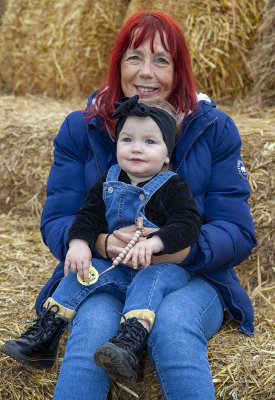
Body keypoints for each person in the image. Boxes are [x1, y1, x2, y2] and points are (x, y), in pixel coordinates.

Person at [2, 11, 256, 400]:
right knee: (91, 326)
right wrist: (102, 244)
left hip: (191, 275)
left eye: (161, 60)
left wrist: (174, 249)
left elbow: (237, 231)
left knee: (173, 325)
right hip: (107, 269)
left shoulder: (213, 129)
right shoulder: (82, 127)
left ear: (180, 69)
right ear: (117, 63)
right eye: (134, 57)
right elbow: (60, 217)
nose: (146, 73)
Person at [1, 96, 202, 387]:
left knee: (151, 279)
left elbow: (188, 223)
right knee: (82, 272)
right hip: (119, 267)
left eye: (149, 142)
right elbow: (88, 215)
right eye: (127, 139)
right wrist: (79, 243)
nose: (136, 148)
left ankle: (129, 343)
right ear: (117, 143)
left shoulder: (173, 185)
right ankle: (46, 333)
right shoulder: (108, 180)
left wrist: (156, 242)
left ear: (167, 154)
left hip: (162, 268)